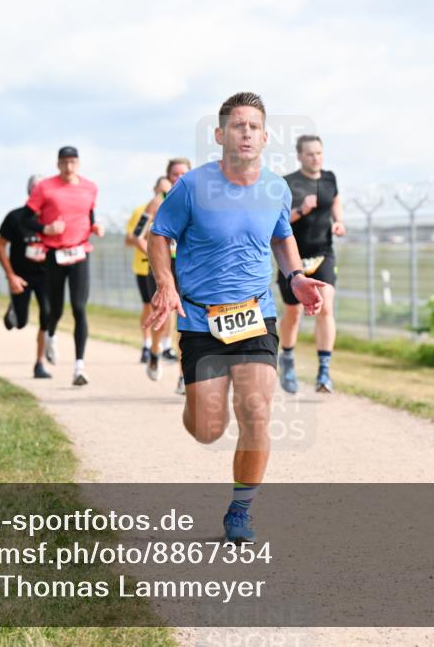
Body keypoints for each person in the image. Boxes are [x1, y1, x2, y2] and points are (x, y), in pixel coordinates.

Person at [146, 92, 324, 543]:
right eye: (237, 125)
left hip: (254, 315)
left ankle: (240, 511)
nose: (246, 132)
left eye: (254, 126)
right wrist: (165, 284)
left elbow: (282, 236)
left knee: (257, 411)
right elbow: (158, 236)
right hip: (201, 319)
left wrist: (297, 277)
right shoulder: (191, 187)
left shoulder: (277, 189)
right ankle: (200, 397)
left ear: (265, 137)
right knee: (208, 428)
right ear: (220, 134)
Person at [25, 146, 104, 386]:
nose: (68, 167)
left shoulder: (90, 187)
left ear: (78, 163)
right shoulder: (45, 188)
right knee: (55, 310)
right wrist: (45, 229)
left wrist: (95, 226)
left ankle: (79, 366)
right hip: (54, 254)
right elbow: (26, 218)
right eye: (64, 163)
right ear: (58, 164)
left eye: (73, 162)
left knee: (79, 308)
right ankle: (50, 335)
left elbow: (89, 214)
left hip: (80, 251)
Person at [277, 135, 346, 393]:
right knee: (293, 313)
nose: (315, 158)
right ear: (299, 156)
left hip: (323, 253)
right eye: (310, 154)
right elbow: (279, 220)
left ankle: (324, 372)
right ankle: (288, 359)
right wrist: (301, 210)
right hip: (293, 258)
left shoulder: (329, 178)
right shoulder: (288, 183)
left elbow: (335, 200)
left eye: (319, 153)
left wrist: (338, 220)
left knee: (326, 307)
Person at [0, 175, 61, 379]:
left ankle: (39, 363)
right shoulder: (15, 217)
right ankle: (13, 310)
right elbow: (0, 245)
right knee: (21, 322)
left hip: (46, 275)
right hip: (21, 277)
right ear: (29, 191)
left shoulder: (52, 218)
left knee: (48, 314)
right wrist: (11, 276)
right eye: (36, 188)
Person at [141, 157, 191, 392]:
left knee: (187, 321)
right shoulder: (156, 203)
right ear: (168, 178)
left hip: (187, 266)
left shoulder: (197, 201)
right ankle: (155, 352)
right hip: (162, 268)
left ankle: (184, 375)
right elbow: (137, 234)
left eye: (184, 174)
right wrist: (154, 252)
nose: (179, 178)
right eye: (175, 175)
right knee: (164, 314)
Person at [125, 176, 171, 372]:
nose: (162, 195)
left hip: (174, 266)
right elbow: (133, 236)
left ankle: (166, 346)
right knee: (151, 307)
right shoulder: (143, 210)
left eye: (166, 191)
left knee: (173, 309)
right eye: (159, 191)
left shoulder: (182, 206)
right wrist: (154, 252)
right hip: (145, 266)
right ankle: (149, 345)